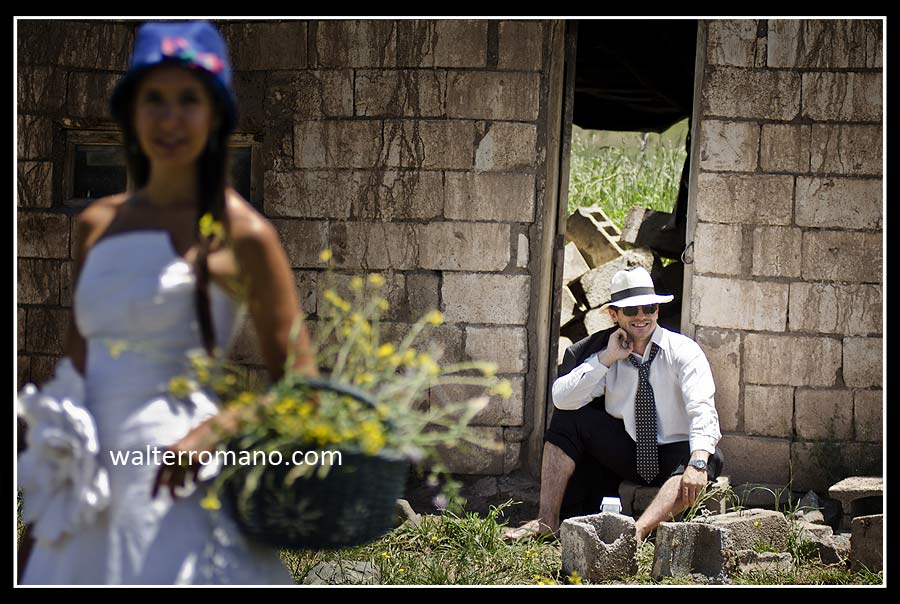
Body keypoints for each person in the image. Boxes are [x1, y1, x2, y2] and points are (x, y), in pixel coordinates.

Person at [17, 20, 317, 584]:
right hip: (86, 490)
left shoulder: (245, 235)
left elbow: (302, 386)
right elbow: (73, 378)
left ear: (216, 113)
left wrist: (216, 433)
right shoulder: (96, 226)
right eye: (153, 99)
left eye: (189, 99)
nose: (170, 117)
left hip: (179, 482)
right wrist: (39, 522)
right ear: (132, 111)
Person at [504, 266, 723, 544]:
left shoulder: (684, 351)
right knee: (567, 420)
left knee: (709, 457)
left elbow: (702, 409)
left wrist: (699, 461)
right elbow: (562, 398)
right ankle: (547, 520)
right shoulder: (606, 351)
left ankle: (637, 533)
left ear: (657, 310)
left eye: (649, 307)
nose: (642, 316)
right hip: (629, 452)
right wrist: (606, 358)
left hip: (674, 453)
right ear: (614, 315)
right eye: (631, 310)